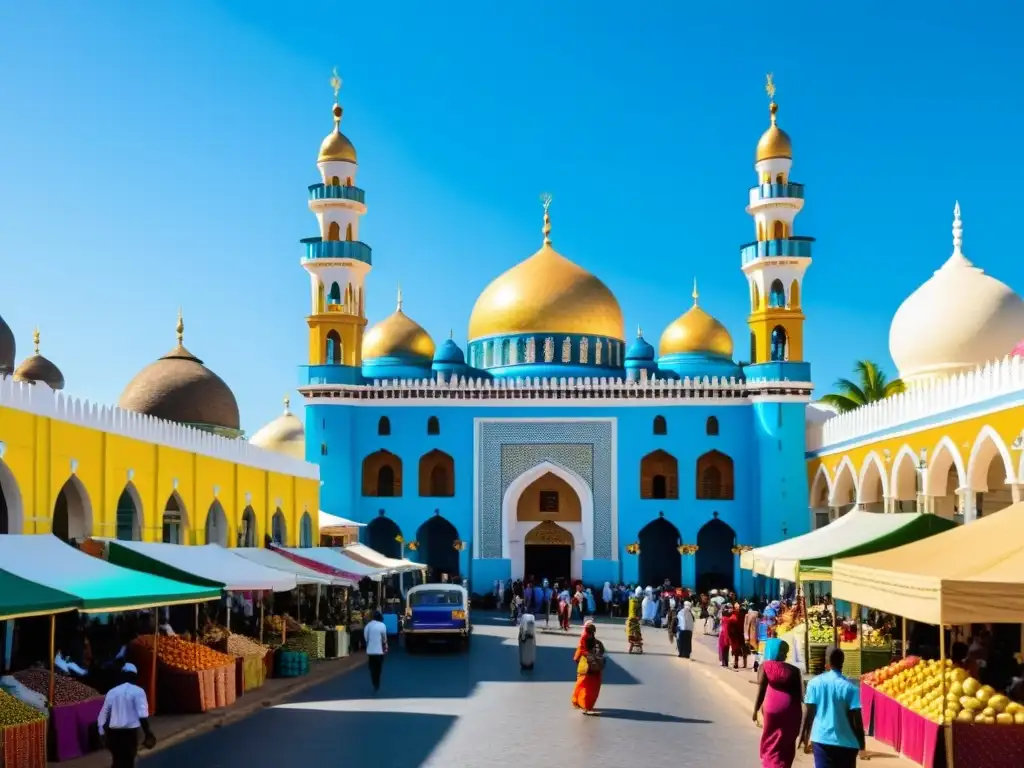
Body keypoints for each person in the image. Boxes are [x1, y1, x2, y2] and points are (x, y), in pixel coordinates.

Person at [800, 646, 865, 768]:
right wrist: (862, 745)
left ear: (827, 663)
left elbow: (809, 713)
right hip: (847, 745)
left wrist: (803, 737)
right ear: (842, 663)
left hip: (821, 740)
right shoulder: (851, 688)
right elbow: (856, 721)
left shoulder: (814, 684)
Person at [753, 639, 803, 767]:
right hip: (791, 710)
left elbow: (761, 689)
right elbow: (800, 696)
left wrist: (755, 710)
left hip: (771, 710)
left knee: (770, 741)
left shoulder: (765, 666)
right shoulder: (794, 671)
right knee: (786, 742)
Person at [97, 663, 156, 767]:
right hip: (128, 734)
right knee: (128, 761)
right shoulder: (138, 692)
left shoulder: (112, 691)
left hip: (113, 734)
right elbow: (141, 716)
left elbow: (105, 713)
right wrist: (148, 733)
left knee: (117, 761)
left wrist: (102, 733)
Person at [571, 624, 604, 715]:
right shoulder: (596, 642)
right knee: (589, 688)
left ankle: (578, 702)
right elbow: (601, 652)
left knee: (582, 686)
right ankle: (586, 706)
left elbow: (577, 655)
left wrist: (578, 659)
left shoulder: (583, 641)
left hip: (584, 668)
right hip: (593, 668)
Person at [364, 610, 388, 692]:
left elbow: (366, 638)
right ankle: (377, 682)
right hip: (379, 651)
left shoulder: (368, 626)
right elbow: (384, 638)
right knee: (378, 668)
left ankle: (374, 680)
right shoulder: (382, 625)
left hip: (370, 651)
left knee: (372, 667)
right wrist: (385, 646)